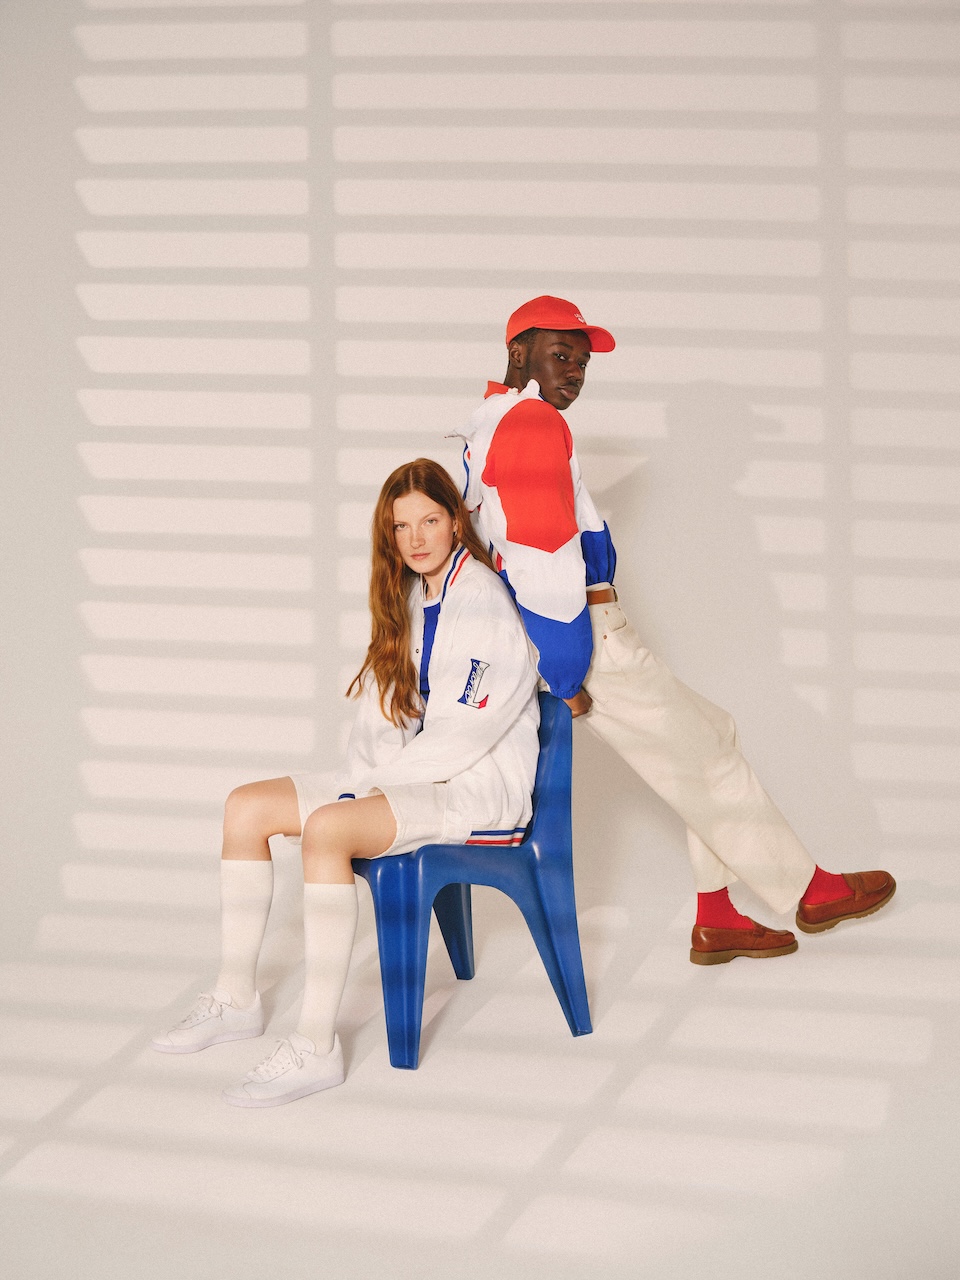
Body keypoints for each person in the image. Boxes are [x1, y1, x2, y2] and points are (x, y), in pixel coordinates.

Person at [454, 295, 895, 964]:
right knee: (709, 754)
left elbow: (493, 542)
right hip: (582, 635)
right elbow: (542, 554)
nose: (574, 372)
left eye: (581, 362)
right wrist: (565, 670)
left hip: (570, 632)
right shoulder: (534, 423)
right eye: (560, 354)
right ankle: (812, 890)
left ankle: (717, 918)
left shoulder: (488, 421)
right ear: (519, 352)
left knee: (711, 734)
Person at [151, 459, 539, 1105]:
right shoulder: (413, 598)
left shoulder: (483, 601)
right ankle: (236, 998)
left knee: (329, 830)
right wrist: (362, 781)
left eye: (429, 521)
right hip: (407, 778)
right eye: (401, 527)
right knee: (246, 807)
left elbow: (465, 734)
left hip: (474, 786)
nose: (416, 538)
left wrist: (367, 794)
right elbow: (384, 720)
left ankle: (315, 1046)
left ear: (456, 521)